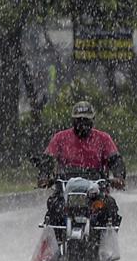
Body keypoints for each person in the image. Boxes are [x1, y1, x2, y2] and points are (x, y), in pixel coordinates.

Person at [37, 100, 126, 236]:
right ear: (73, 121)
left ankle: (106, 243)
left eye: (86, 120)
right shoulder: (60, 138)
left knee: (110, 208)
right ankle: (54, 245)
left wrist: (119, 177)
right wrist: (44, 176)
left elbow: (115, 160)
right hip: (66, 189)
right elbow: (48, 159)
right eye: (79, 120)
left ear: (92, 121)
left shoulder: (103, 139)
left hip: (95, 190)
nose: (82, 124)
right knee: (54, 208)